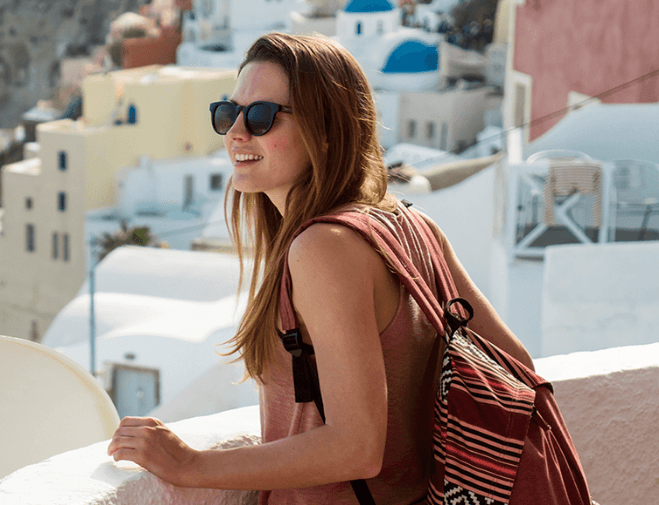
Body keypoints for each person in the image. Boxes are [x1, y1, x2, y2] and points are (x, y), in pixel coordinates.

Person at [107, 32, 534, 505]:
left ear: (327, 130)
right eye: (228, 113)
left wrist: (190, 465)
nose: (236, 133)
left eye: (262, 116)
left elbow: (357, 447)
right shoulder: (410, 224)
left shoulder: (323, 249)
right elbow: (517, 365)